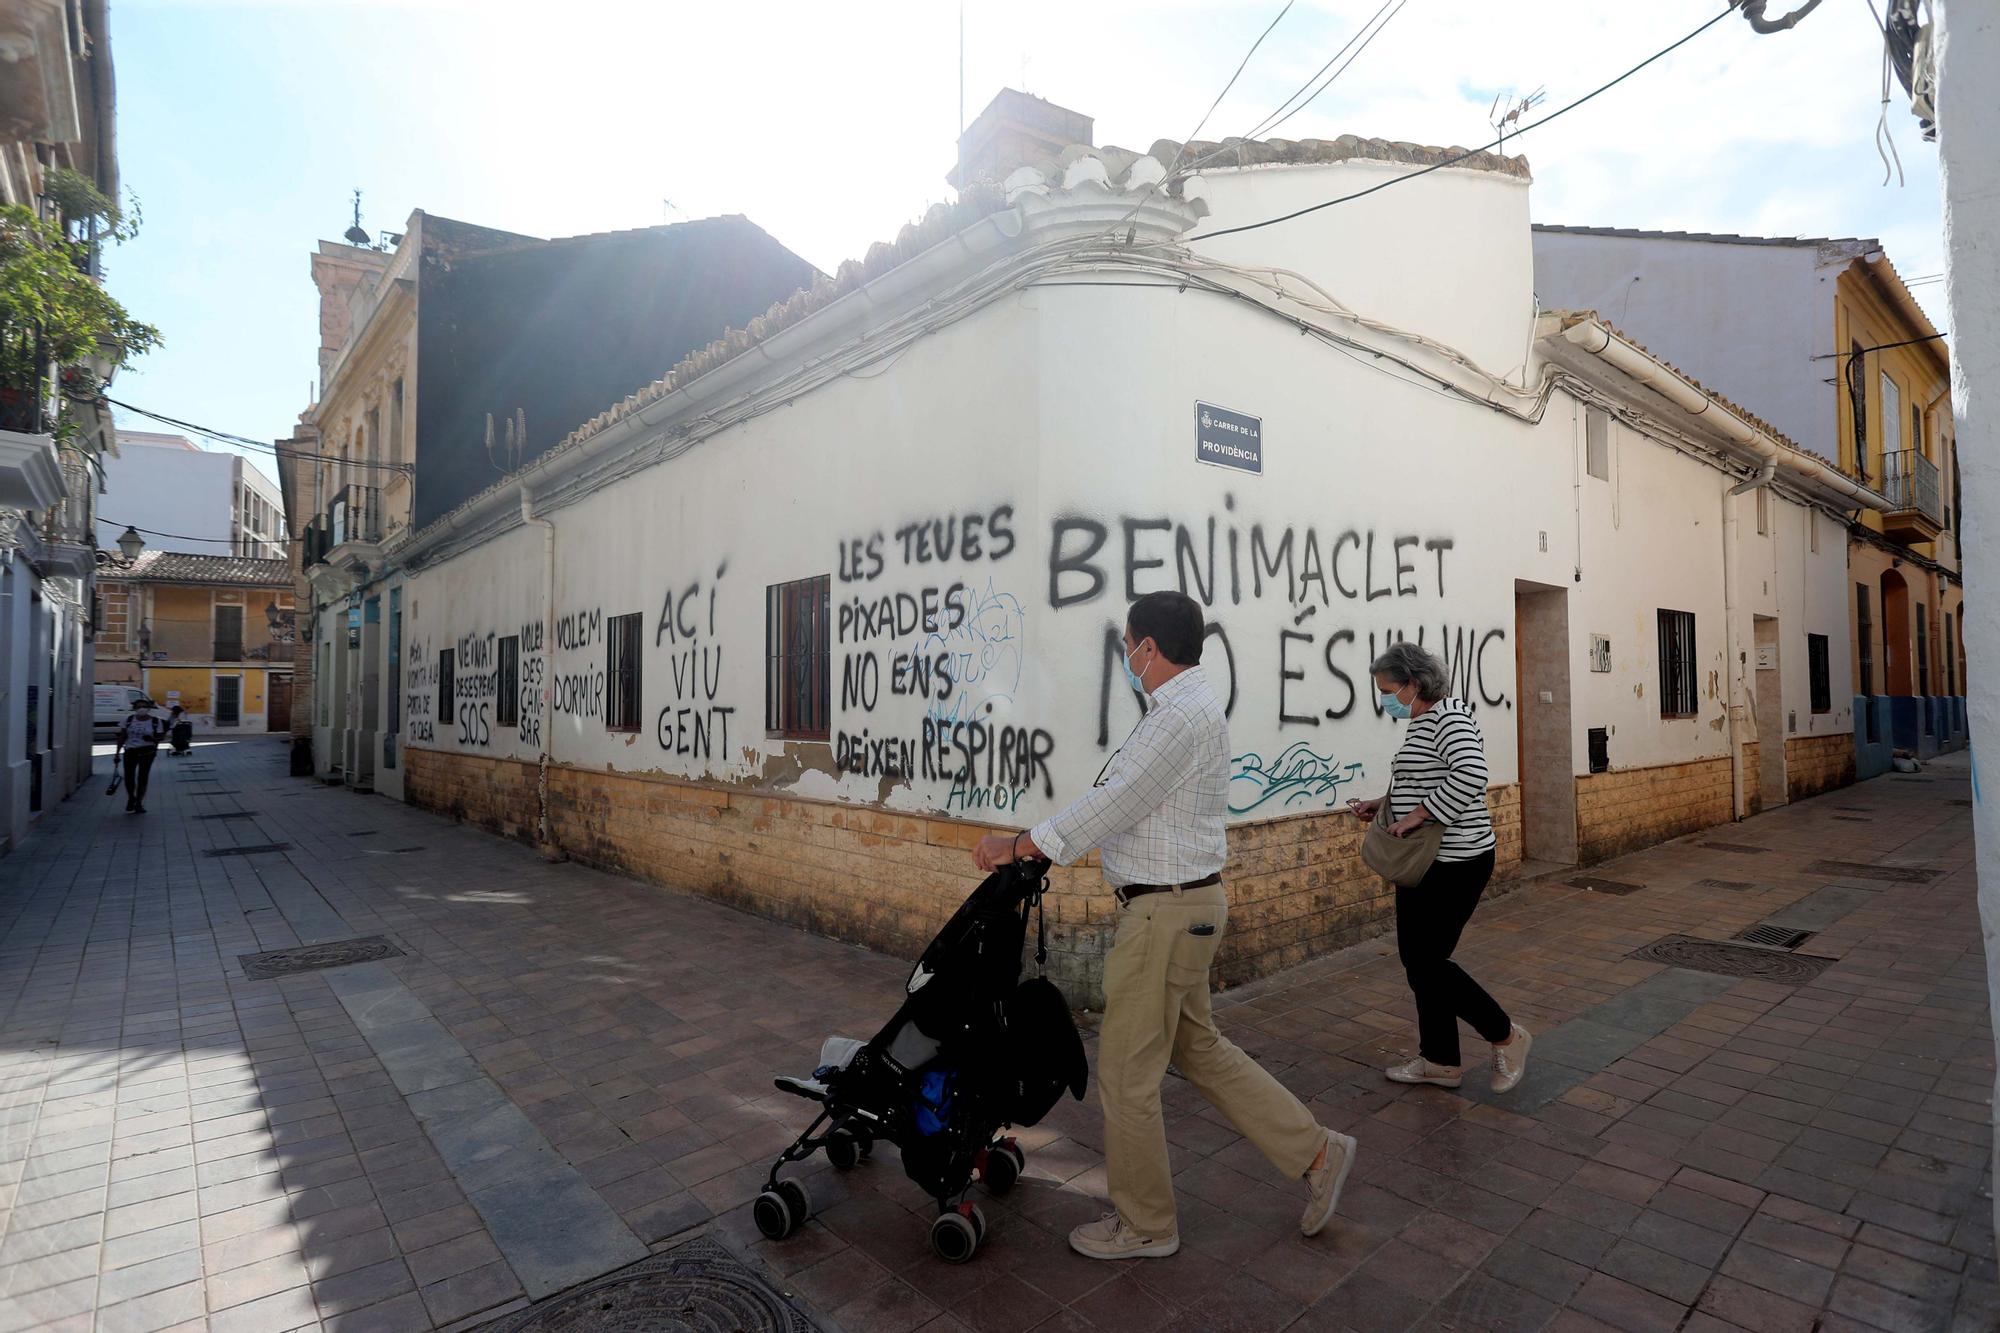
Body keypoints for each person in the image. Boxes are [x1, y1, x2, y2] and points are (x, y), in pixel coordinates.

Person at [973, 590, 1357, 1261]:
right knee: (1199, 1049)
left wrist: (1023, 843)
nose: (1125, 656)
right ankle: (1317, 1151)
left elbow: (1117, 801)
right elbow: (1122, 799)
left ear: (1149, 647)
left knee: (1125, 1073)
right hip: (1184, 906)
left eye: (1128, 644)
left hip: (1164, 912)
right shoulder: (1183, 709)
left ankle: (1146, 1223)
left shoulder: (1179, 715)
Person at [1345, 642, 1531, 1093]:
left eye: (1388, 689)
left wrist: (1418, 815)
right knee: (1419, 961)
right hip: (1423, 862)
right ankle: (1440, 1061)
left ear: (1413, 684)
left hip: (1455, 861)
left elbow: (1470, 773)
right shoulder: (1425, 720)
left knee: (1427, 961)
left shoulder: (1447, 717)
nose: (1384, 698)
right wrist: (1384, 803)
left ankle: (1506, 1035)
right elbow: (1427, 778)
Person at [115, 697, 167, 814]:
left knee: (142, 777)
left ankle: (139, 803)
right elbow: (122, 737)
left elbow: (161, 737)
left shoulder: (155, 721)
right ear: (134, 708)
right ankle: (131, 798)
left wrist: (152, 738)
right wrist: (117, 753)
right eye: (138, 707)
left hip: (147, 752)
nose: (141, 709)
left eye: (144, 706)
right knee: (129, 777)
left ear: (148, 708)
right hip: (130, 751)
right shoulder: (128, 720)